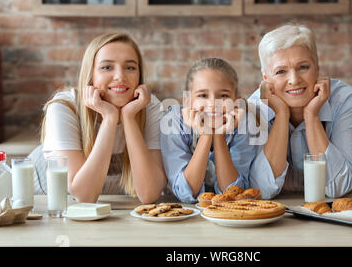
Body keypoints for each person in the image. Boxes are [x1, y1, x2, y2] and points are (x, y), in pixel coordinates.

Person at [29, 33, 167, 204]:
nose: (120, 76)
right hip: (45, 202)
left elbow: (150, 194)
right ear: (91, 74)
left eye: (130, 67)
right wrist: (109, 119)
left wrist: (129, 118)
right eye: (107, 67)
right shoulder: (64, 107)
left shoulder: (149, 107)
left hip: (107, 210)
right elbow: (84, 195)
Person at [248, 23, 352, 199]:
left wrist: (311, 116)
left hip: (340, 212)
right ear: (266, 79)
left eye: (303, 67)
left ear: (317, 68)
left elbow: (339, 188)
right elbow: (261, 190)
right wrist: (281, 115)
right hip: (279, 215)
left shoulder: (346, 101)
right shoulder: (254, 108)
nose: (294, 80)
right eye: (281, 71)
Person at [160, 58, 256, 203]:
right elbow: (186, 192)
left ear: (237, 102)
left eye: (223, 96)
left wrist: (218, 135)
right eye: (203, 95)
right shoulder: (173, 121)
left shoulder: (245, 122)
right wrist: (206, 134)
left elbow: (231, 193)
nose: (213, 104)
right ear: (187, 101)